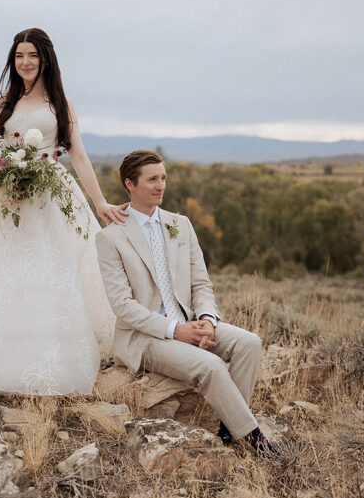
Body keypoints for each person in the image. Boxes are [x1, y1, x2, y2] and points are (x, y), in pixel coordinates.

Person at [0, 28, 126, 395]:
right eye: (19, 56)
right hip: (5, 198)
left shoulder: (62, 105)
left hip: (49, 197)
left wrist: (99, 202)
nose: (26, 62)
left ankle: (53, 367)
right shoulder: (2, 104)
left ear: (45, 59)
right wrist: (1, 171)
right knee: (1, 273)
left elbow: (77, 155)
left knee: (49, 273)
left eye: (32, 55)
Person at [95, 150, 280, 457]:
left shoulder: (180, 224)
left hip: (192, 320)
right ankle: (253, 440)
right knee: (211, 365)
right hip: (147, 337)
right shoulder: (110, 238)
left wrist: (207, 319)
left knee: (249, 343)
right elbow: (123, 305)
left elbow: (201, 283)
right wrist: (176, 330)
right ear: (130, 184)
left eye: (163, 178)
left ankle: (227, 429)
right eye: (152, 179)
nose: (161, 185)